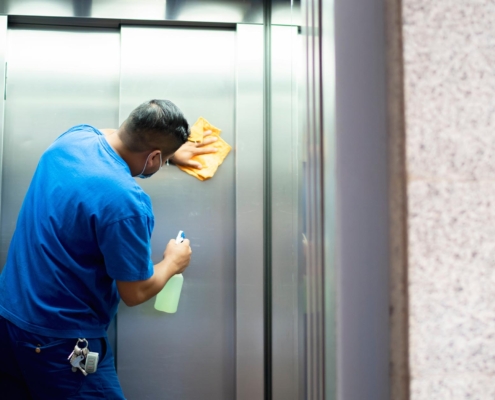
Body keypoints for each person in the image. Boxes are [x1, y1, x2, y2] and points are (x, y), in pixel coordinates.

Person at [0, 99, 217, 399]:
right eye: (162, 159)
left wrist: (167, 153)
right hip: (60, 340)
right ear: (153, 157)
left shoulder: (75, 137)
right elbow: (135, 292)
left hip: (10, 318)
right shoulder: (127, 202)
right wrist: (172, 262)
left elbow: (113, 137)